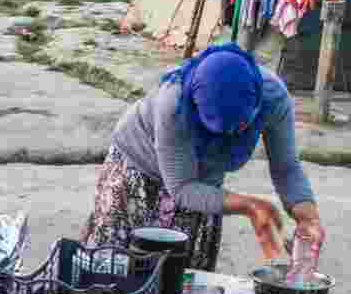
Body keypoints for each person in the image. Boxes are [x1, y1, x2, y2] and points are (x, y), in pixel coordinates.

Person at [80, 42, 326, 272]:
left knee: (185, 278)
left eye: (239, 128)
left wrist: (308, 219)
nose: (227, 138)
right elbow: (183, 187)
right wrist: (250, 205)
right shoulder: (174, 101)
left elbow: (287, 168)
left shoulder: (273, 98)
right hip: (138, 168)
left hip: (203, 184)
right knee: (116, 271)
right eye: (212, 130)